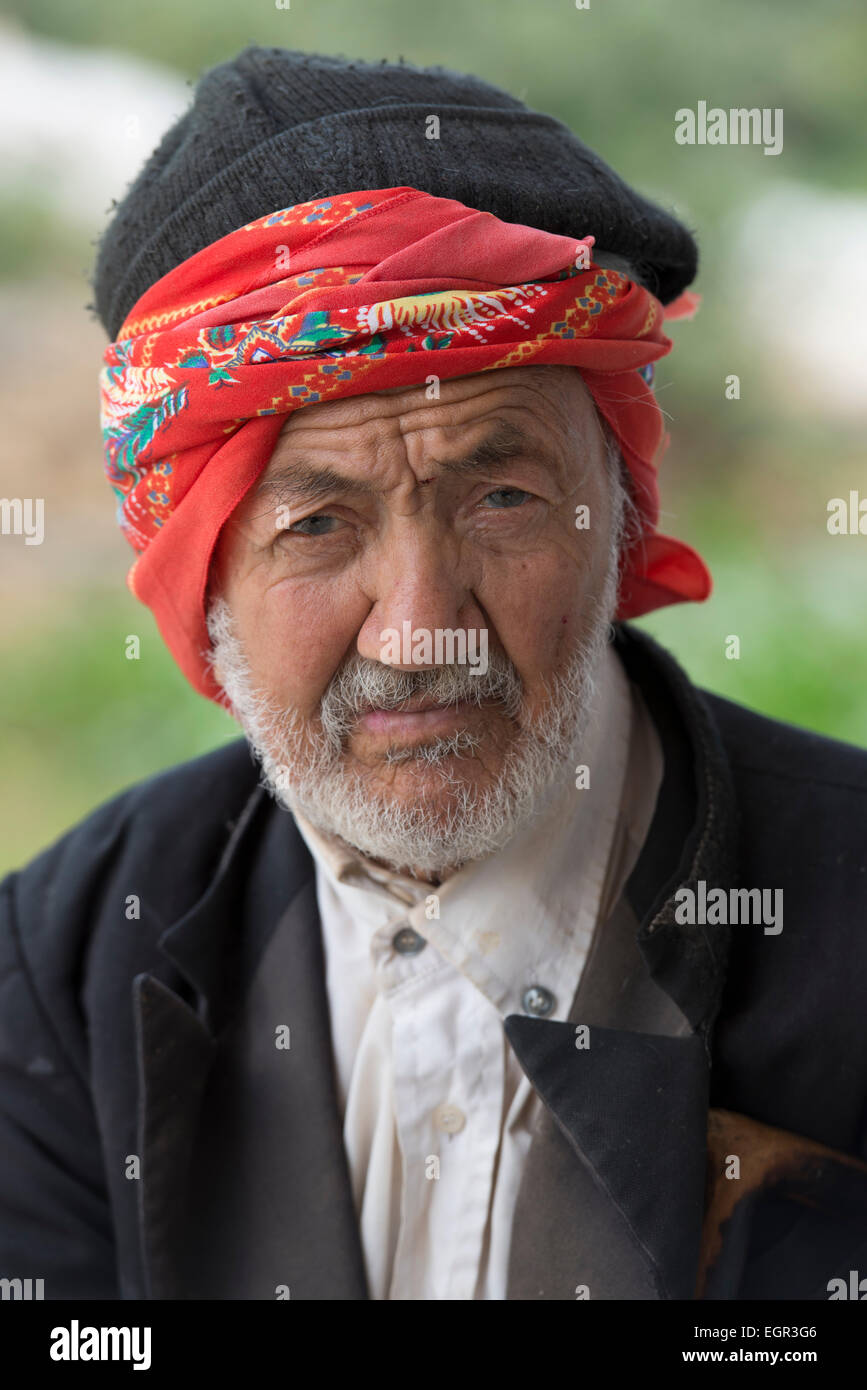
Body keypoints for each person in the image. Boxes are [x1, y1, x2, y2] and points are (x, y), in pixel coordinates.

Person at [1, 47, 865, 1303]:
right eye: (317, 525)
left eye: (502, 496)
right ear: (200, 583)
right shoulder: (58, 967)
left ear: (614, 516)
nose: (419, 630)